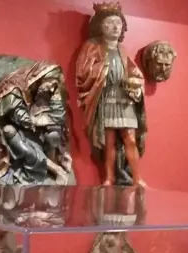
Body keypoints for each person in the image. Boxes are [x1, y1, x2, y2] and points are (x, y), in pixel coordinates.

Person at [76, 2, 147, 187]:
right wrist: (102, 70)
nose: (115, 27)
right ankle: (109, 178)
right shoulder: (92, 47)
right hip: (107, 98)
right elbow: (83, 71)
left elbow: (134, 71)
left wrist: (135, 84)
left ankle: (137, 178)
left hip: (124, 99)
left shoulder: (122, 50)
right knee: (110, 142)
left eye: (118, 23)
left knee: (130, 139)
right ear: (100, 26)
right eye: (110, 23)